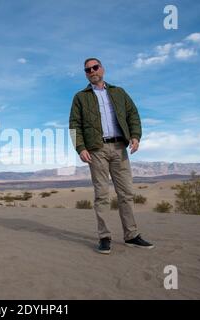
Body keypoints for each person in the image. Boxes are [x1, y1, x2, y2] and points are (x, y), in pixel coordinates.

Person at [69, 57, 154, 254]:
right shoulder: (80, 97)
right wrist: (80, 147)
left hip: (119, 148)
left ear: (103, 69)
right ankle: (104, 237)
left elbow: (133, 114)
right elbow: (74, 125)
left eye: (95, 67)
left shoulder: (119, 92)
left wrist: (135, 136)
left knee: (126, 193)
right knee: (102, 195)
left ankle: (131, 235)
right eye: (88, 70)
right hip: (96, 150)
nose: (92, 71)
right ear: (86, 74)